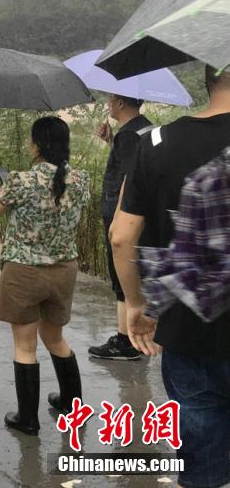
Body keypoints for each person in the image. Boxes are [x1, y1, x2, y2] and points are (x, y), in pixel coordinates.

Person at [111, 65, 230, 488]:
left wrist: (139, 306)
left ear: (209, 80)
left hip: (186, 327)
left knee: (201, 467)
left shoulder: (157, 142)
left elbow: (122, 237)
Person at [0, 116, 90, 435]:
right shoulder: (80, 179)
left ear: (37, 145)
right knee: (55, 338)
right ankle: (72, 405)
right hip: (64, 271)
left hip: (24, 272)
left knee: (25, 346)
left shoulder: (21, 181)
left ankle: (28, 420)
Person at [88, 95, 153, 361]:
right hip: (141, 214)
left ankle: (125, 340)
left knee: (121, 275)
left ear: (121, 103)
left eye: (110, 100)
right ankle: (135, 336)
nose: (108, 104)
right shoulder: (146, 127)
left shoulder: (129, 135)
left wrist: (117, 219)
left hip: (123, 213)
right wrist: (111, 141)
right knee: (136, 270)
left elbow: (128, 176)